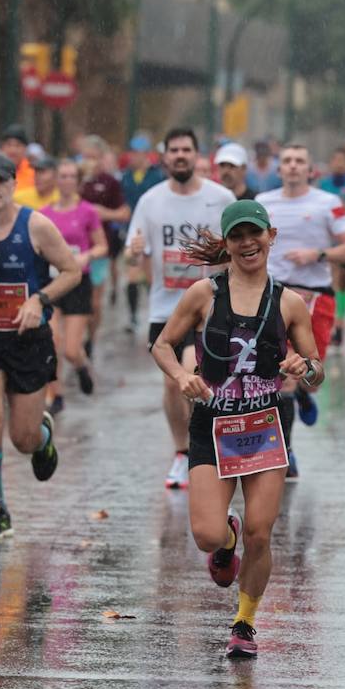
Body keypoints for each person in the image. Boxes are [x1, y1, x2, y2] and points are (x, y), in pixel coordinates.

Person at [150, 199, 323, 658]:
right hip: (213, 423)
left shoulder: (290, 302)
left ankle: (244, 622)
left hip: (265, 425)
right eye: (237, 236)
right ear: (227, 244)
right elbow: (163, 345)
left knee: (261, 533)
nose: (248, 244)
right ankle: (225, 541)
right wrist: (182, 376)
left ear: (271, 237)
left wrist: (303, 366)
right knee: (206, 535)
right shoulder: (204, 294)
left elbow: (318, 372)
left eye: (255, 234)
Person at [0, 153, 79, 538]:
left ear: (12, 185)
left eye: (0, 180)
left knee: (21, 440)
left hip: (29, 340)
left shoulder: (37, 226)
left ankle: (41, 435)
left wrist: (39, 299)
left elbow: (72, 271)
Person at [126, 127, 236, 488]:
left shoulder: (220, 198)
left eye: (186, 150)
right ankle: (181, 452)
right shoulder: (150, 201)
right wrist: (134, 253)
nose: (180, 156)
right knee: (173, 387)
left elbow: (242, 247)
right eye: (173, 150)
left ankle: (203, 450)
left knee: (194, 375)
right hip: (165, 310)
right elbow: (133, 251)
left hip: (209, 308)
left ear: (196, 153)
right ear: (165, 156)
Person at [260, 145, 345, 477]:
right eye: (286, 161)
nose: (292, 166)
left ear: (310, 170)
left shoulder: (327, 203)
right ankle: (284, 451)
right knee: (281, 375)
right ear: (279, 169)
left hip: (316, 297)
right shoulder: (264, 202)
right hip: (273, 294)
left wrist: (316, 255)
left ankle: (305, 393)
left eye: (299, 161)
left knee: (310, 375)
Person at [43, 159, 107, 403]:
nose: (66, 180)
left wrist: (86, 255)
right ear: (56, 180)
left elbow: (102, 246)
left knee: (70, 349)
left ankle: (81, 366)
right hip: (51, 281)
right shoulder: (44, 214)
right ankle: (56, 395)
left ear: (78, 182)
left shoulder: (87, 212)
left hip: (78, 282)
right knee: (52, 342)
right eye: (62, 175)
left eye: (71, 176)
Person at [77, 136, 129, 342]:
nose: (90, 162)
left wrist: (103, 213)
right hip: (74, 248)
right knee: (75, 301)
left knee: (95, 302)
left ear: (101, 158)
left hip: (100, 247)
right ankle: (76, 341)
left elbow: (124, 213)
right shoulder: (74, 180)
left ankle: (91, 338)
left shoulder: (110, 182)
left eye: (94, 158)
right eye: (86, 157)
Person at [0, 124, 35, 192]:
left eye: (18, 145)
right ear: (2, 148)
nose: (13, 150)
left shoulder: (34, 173)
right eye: (9, 145)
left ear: (25, 148)